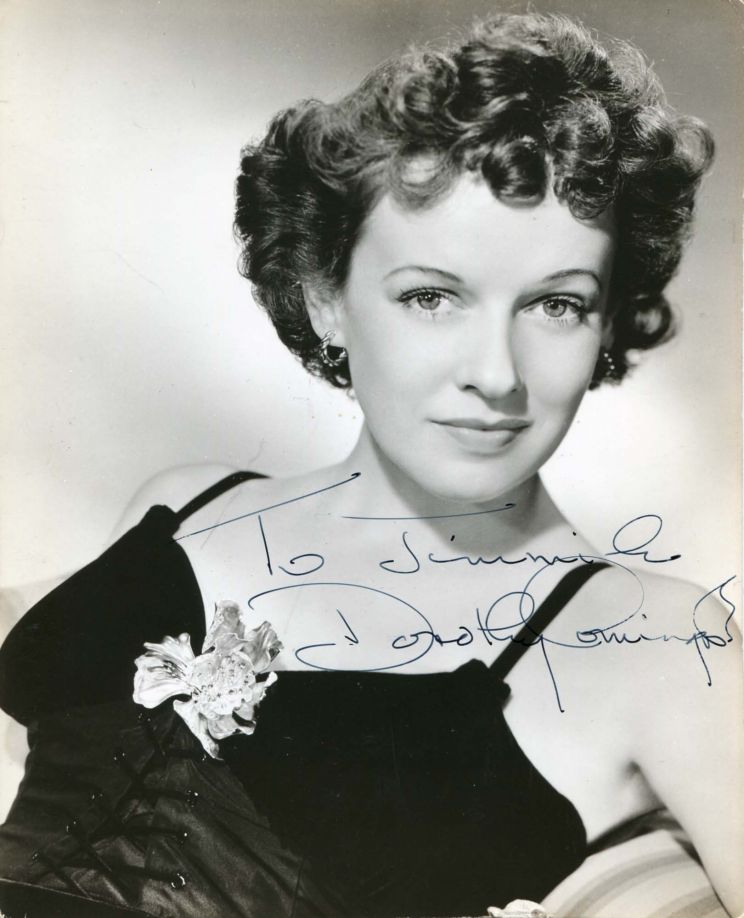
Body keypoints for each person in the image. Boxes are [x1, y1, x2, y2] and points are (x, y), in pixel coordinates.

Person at [0, 10, 741, 918]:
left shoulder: (667, 645)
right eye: (432, 297)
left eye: (557, 305)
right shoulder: (187, 503)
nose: (496, 375)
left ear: (609, 321)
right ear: (326, 299)